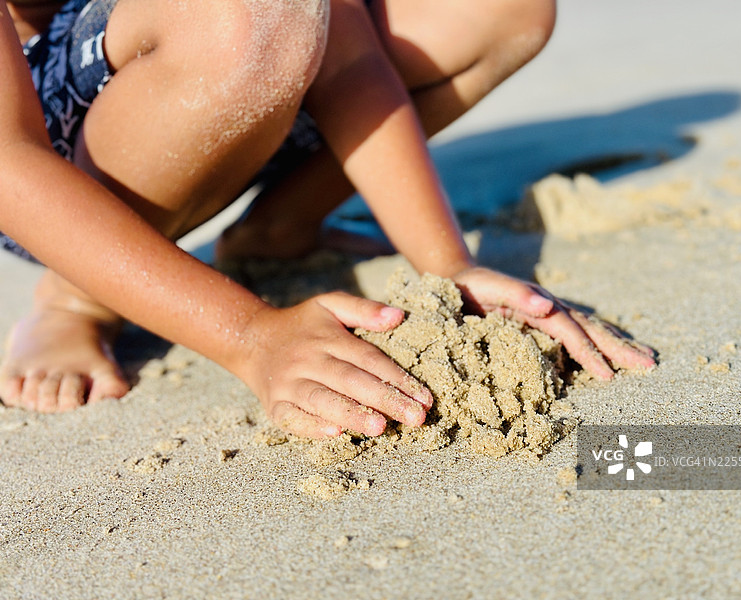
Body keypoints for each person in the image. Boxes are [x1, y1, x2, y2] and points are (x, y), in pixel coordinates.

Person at [0, 0, 655, 438]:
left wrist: (448, 266)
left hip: (216, 53)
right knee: (253, 13)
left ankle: (279, 231)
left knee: (499, 9)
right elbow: (9, 161)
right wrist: (251, 336)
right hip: (44, 159)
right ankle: (77, 296)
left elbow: (351, 59)